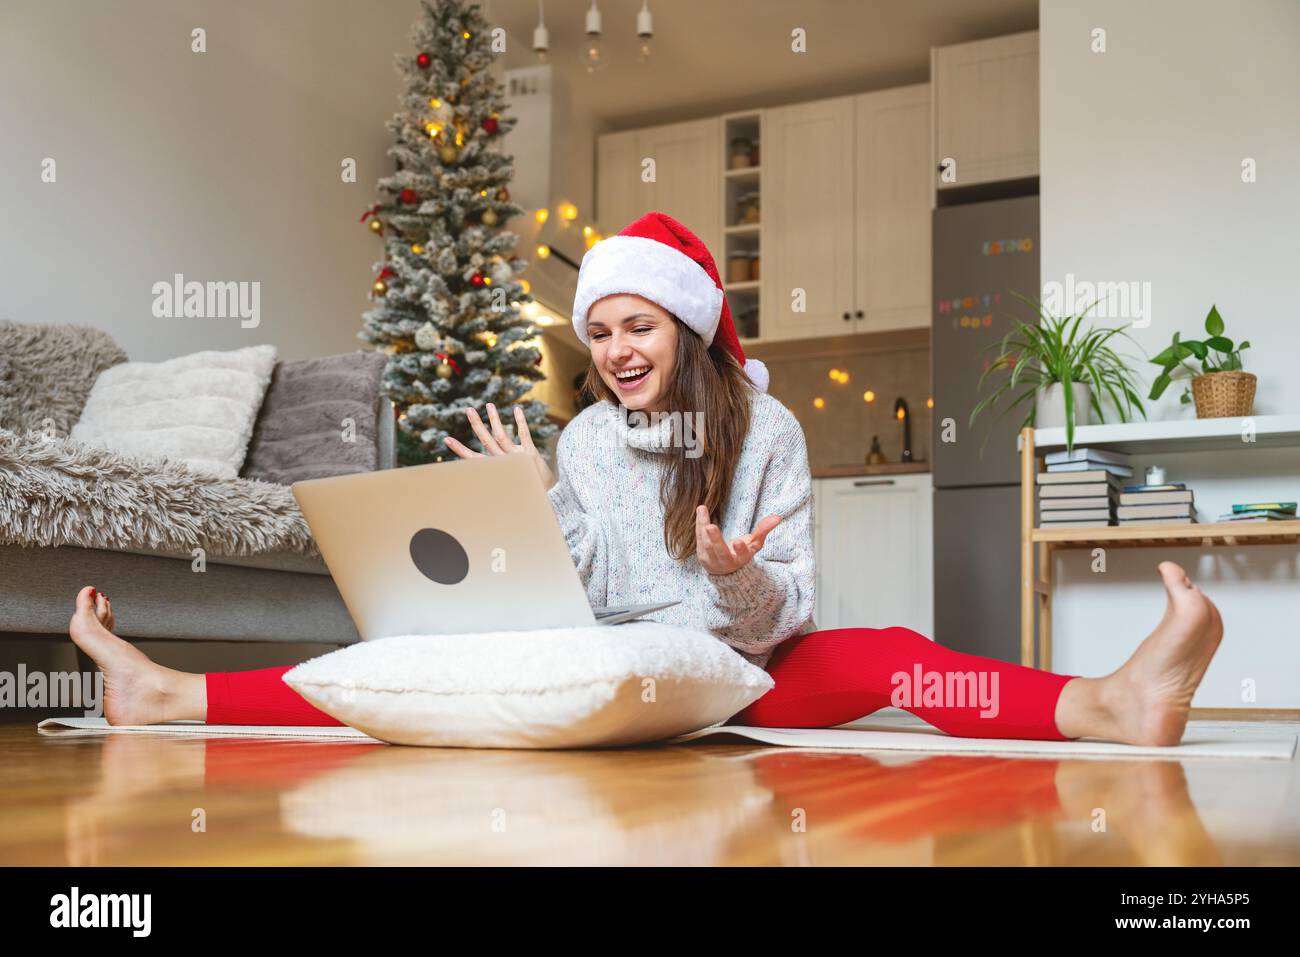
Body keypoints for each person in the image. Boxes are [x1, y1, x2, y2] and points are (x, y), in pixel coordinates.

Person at [67, 212, 1224, 746]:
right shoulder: (578, 441)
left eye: (640, 325)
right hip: (597, 653)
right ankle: (164, 695)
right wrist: (526, 512)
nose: (617, 350)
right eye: (601, 330)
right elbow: (566, 590)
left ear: (686, 326)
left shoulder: (764, 428)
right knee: (393, 661)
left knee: (883, 657)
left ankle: (1108, 704)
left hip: (739, 670)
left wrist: (730, 579)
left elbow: (789, 607)